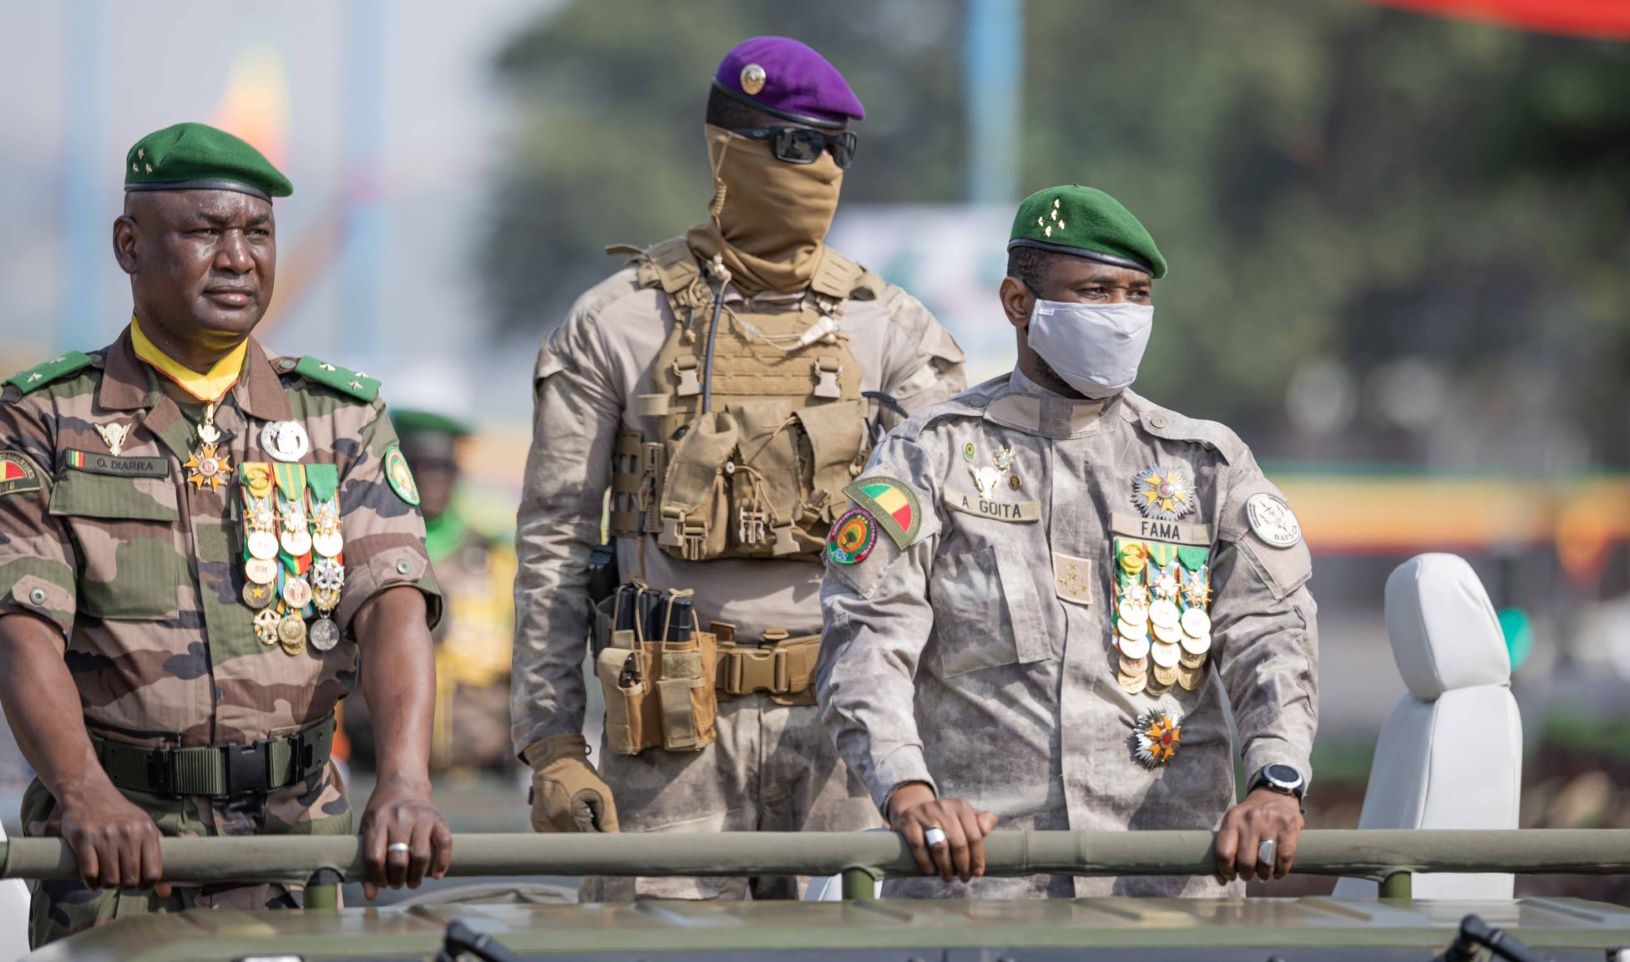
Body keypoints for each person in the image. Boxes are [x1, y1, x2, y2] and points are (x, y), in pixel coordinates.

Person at [0, 122, 452, 946]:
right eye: (204, 231)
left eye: (257, 233)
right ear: (130, 243)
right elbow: (21, 630)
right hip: (119, 848)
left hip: (300, 844)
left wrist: (405, 780)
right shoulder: (46, 417)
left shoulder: (339, 417)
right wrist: (84, 792)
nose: (238, 259)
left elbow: (394, 606)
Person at [513, 36, 966, 900]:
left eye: (838, 148)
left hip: (846, 734)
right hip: (668, 735)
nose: (822, 168)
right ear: (727, 147)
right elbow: (555, 548)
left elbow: (953, 562)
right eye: (796, 146)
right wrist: (554, 746)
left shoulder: (895, 332)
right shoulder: (617, 324)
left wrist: (938, 753)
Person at [816, 185, 1319, 898]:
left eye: (1136, 294)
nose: (1121, 315)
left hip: (1166, 892)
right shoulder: (930, 455)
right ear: (1018, 303)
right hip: (981, 888)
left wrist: (1276, 780)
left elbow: (1271, 632)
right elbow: (866, 635)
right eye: (1095, 291)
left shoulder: (1203, 465)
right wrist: (908, 791)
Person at [341, 409, 516, 778]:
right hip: (372, 775)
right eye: (421, 467)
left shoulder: (496, 560)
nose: (434, 481)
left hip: (480, 781)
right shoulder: (358, 559)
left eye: (445, 469)